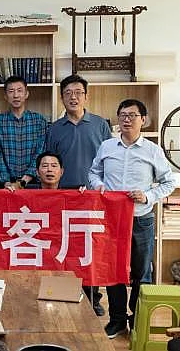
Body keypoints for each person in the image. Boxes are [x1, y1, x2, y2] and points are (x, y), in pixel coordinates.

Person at [89, 99, 178, 339]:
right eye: (122, 115)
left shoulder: (153, 150)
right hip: (112, 220)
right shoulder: (107, 146)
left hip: (141, 218)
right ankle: (117, 320)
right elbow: (94, 173)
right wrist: (99, 186)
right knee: (114, 270)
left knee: (141, 273)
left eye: (132, 115)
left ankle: (137, 318)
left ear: (143, 120)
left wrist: (148, 196)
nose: (126, 119)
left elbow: (170, 181)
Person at [45, 74, 111, 316]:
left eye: (78, 92)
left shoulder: (100, 125)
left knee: (90, 250)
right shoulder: (54, 128)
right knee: (63, 248)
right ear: (61, 98)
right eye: (68, 93)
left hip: (92, 197)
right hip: (63, 197)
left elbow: (110, 159)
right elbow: (50, 162)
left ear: (86, 96)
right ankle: (62, 294)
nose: (73, 97)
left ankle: (93, 298)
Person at [0, 76, 47, 189]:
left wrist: (24, 181)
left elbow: (40, 153)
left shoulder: (39, 121)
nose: (16, 95)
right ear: (5, 96)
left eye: (20, 90)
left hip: (33, 182)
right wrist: (7, 182)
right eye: (11, 91)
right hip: (6, 184)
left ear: (26, 94)